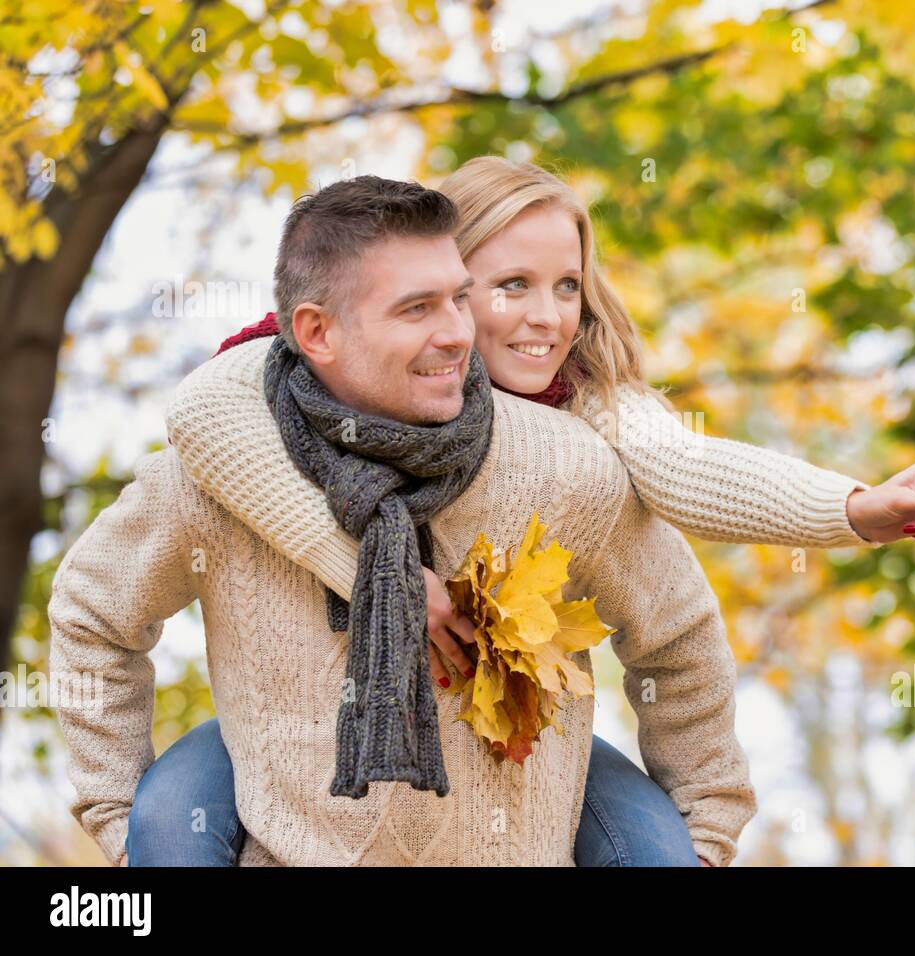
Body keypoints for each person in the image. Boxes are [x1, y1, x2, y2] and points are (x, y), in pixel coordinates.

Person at [137, 157, 915, 867]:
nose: (547, 318)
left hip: (518, 747)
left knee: (652, 854)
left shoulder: (586, 416)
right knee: (168, 827)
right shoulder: (307, 375)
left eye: (566, 286)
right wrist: (387, 579)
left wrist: (853, 506)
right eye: (510, 284)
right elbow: (204, 413)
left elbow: (688, 472)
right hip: (301, 714)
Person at [48, 175, 757, 867]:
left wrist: (706, 832)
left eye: (458, 299)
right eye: (417, 309)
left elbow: (678, 638)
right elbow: (92, 614)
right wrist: (117, 822)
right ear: (316, 333)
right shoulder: (220, 472)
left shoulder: (566, 465)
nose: (457, 333)